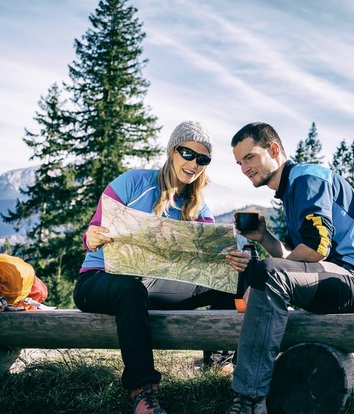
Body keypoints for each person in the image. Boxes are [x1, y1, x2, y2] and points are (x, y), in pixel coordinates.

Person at [224, 122, 354, 414]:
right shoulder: (292, 190)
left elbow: (316, 249)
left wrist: (263, 274)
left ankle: (250, 401)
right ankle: (246, 383)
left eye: (250, 157)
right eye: (239, 162)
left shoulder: (306, 179)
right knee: (263, 272)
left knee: (266, 273)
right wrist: (264, 238)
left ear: (274, 150)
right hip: (337, 276)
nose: (244, 168)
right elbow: (297, 257)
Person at [73, 121, 237, 414]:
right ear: (172, 151)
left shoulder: (199, 207)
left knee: (226, 279)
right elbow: (92, 234)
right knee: (130, 289)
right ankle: (143, 392)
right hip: (100, 282)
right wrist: (92, 237)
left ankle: (220, 367)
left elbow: (208, 261)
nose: (194, 163)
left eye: (203, 159)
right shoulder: (132, 183)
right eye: (188, 153)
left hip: (152, 285)